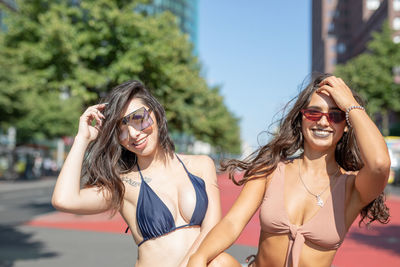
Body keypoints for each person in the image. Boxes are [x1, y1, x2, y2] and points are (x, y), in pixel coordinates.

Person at [187, 74, 390, 267]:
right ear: (301, 119)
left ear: (346, 125)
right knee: (215, 262)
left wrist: (350, 105)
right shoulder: (271, 170)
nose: (322, 121)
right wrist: (199, 258)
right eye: (313, 112)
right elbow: (232, 223)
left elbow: (379, 164)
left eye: (335, 116)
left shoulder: (352, 187)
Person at [52, 80, 221, 267]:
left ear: (155, 113)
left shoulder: (201, 165)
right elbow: (64, 200)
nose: (133, 133)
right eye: (120, 129)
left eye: (138, 118)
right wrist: (82, 139)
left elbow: (213, 228)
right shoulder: (125, 184)